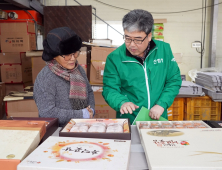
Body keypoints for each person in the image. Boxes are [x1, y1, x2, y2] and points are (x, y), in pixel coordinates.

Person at [102, 9, 182, 124]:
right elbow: (110, 88)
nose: (132, 45)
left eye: (138, 40)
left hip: (158, 117)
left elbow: (173, 80)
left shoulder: (164, 50)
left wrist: (161, 104)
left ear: (149, 36)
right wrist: (121, 102)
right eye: (127, 38)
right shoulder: (114, 58)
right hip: (129, 119)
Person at [34, 27, 95, 127]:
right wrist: (81, 114)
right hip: (57, 132)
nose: (72, 59)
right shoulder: (46, 78)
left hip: (83, 127)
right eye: (66, 55)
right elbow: (47, 112)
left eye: (75, 53)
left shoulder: (78, 69)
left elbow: (89, 91)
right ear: (54, 55)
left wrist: (91, 110)